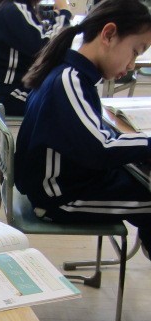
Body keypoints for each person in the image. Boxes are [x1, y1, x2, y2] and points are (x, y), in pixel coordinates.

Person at [15, 0, 151, 258]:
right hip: (60, 196)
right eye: (135, 51)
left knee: (140, 179)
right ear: (108, 34)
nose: (132, 65)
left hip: (70, 181)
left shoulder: (74, 74)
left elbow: (94, 138)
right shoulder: (69, 80)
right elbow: (101, 149)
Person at [0, 0, 71, 115]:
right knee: (67, 102)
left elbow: (37, 31)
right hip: (9, 94)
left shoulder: (12, 6)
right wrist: (64, 12)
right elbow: (47, 48)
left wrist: (55, 16)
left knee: (66, 92)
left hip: (5, 88)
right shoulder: (13, 10)